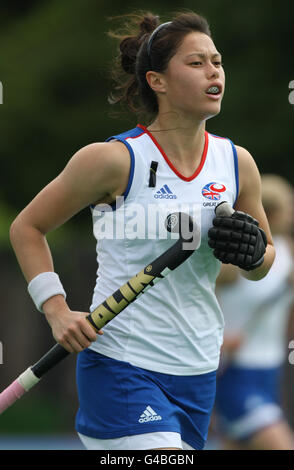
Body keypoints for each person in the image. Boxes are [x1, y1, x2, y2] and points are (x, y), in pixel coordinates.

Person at [9, 11, 275, 450]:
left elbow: (263, 264)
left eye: (217, 60)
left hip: (197, 369)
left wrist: (252, 255)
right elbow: (28, 227)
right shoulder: (112, 161)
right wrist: (56, 309)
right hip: (122, 366)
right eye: (196, 63)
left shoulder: (236, 163)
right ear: (157, 80)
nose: (213, 71)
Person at [213, 174, 294, 450]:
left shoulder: (286, 252)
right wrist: (218, 338)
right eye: (289, 207)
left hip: (270, 371)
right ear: (271, 211)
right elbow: (199, 297)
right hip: (236, 370)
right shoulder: (234, 260)